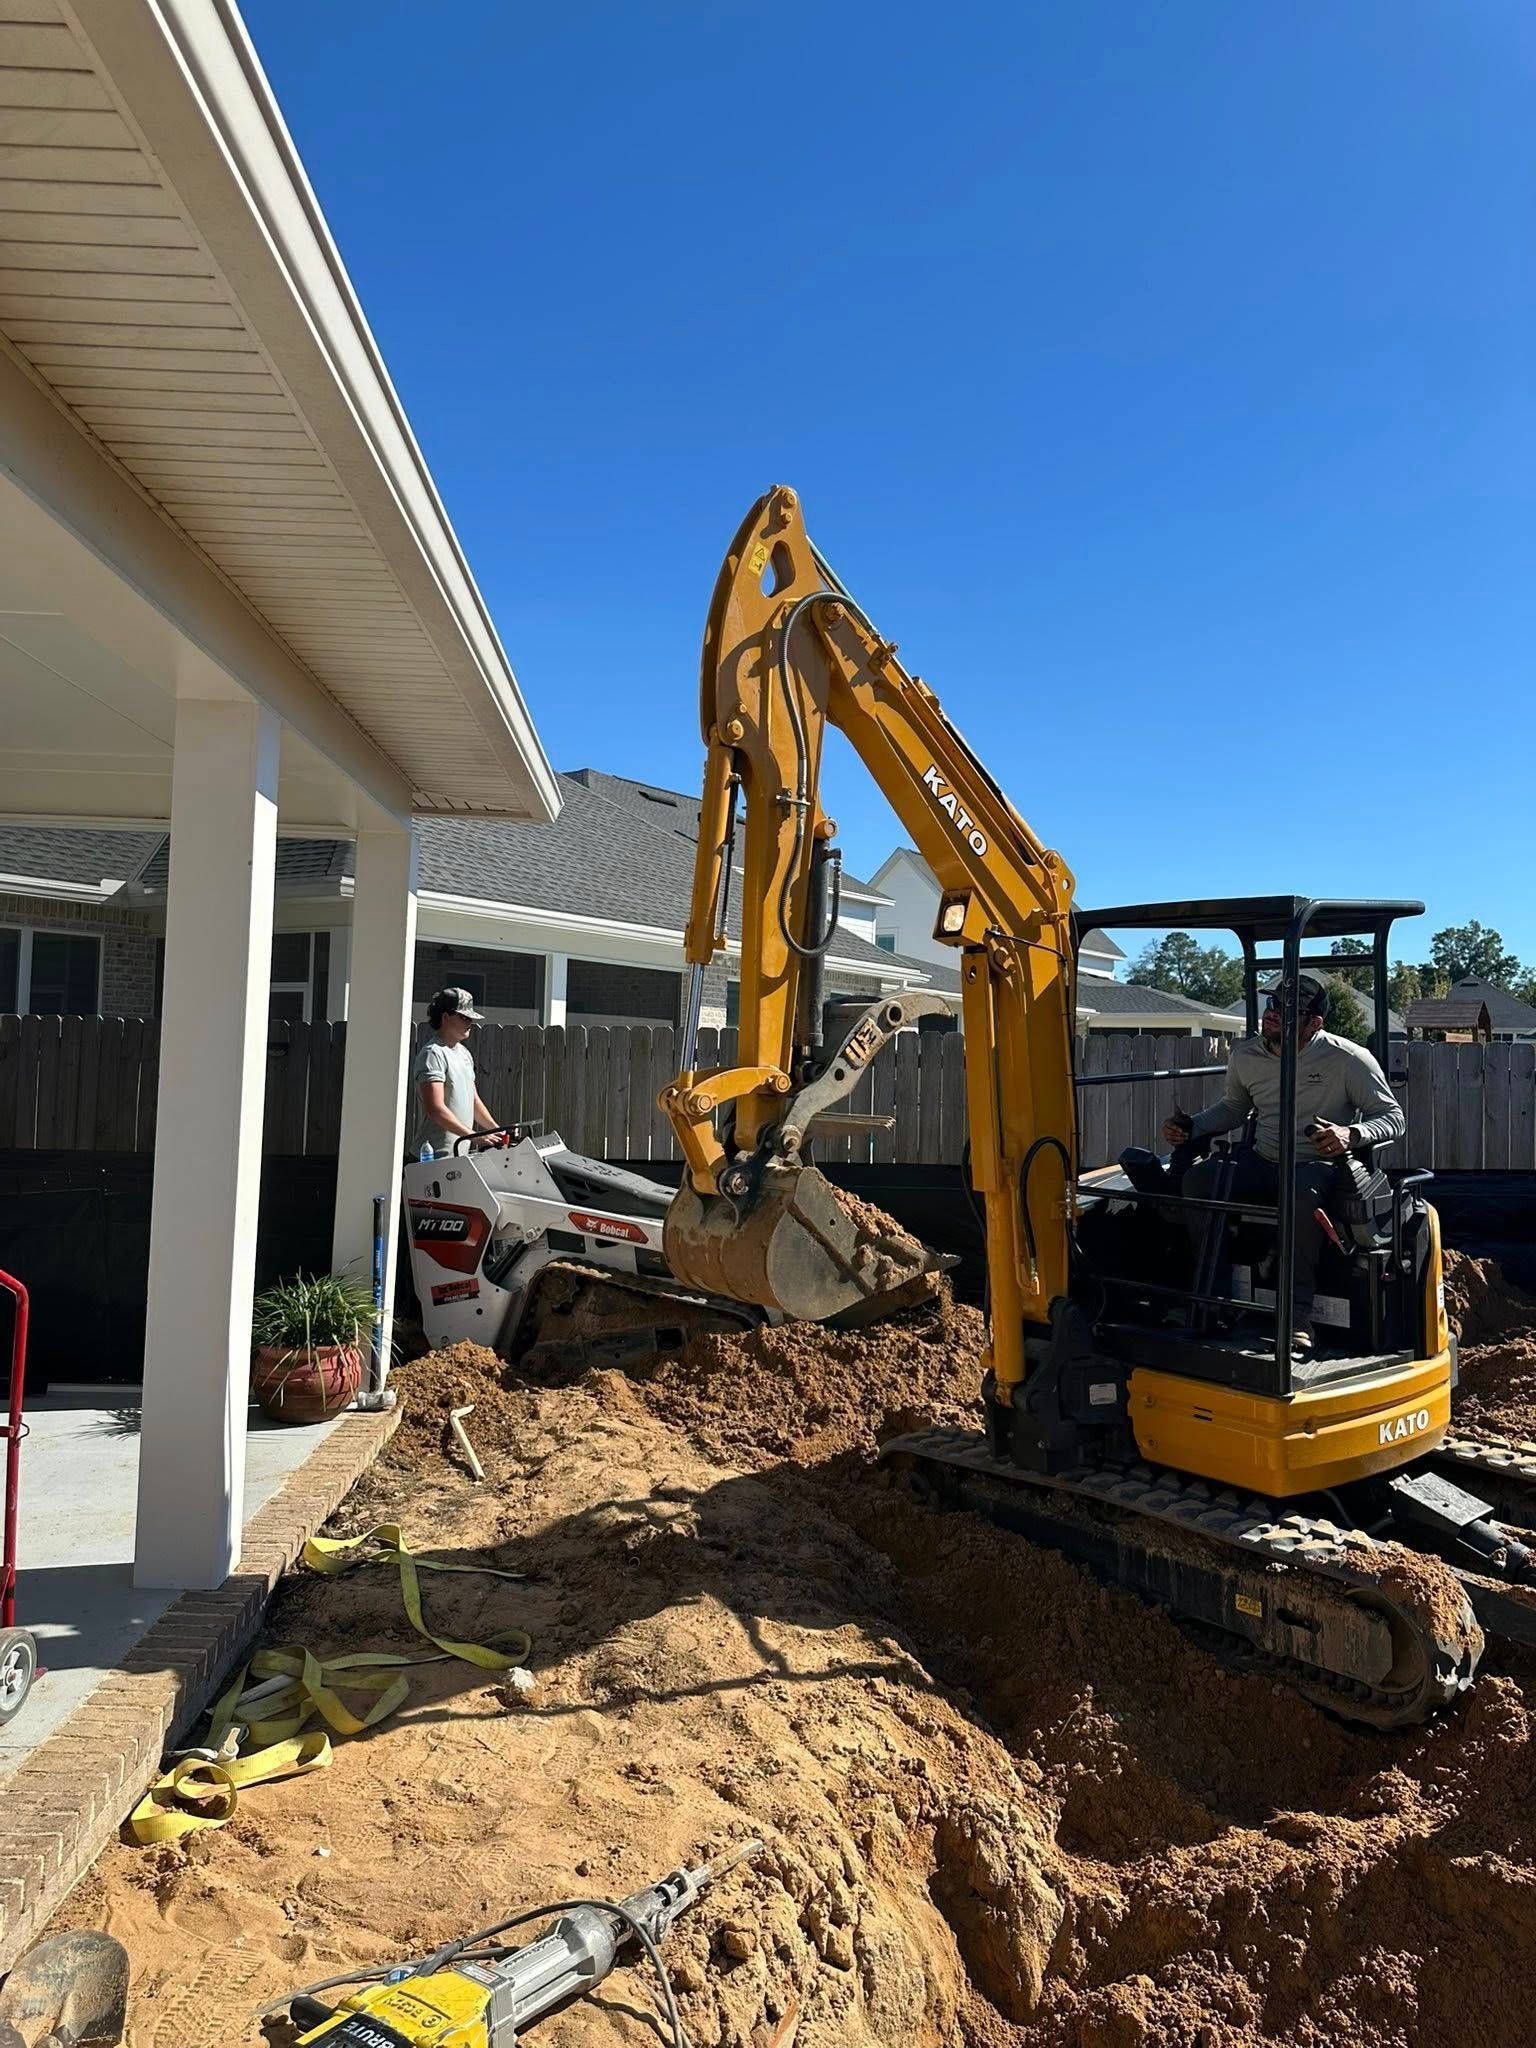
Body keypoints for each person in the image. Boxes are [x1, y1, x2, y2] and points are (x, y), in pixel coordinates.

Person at [1162, 972, 1405, 1353]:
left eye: (1288, 1009)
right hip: (1261, 1160)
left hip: (1317, 1166)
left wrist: (1349, 1135)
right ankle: (1214, 1299)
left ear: (1315, 1023)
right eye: (1272, 1005)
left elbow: (1393, 1117)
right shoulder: (1246, 1056)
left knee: (1301, 1197)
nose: (1273, 1014)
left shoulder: (1348, 1059)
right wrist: (1192, 1127)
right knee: (1198, 1180)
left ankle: (1297, 1317)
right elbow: (1233, 1109)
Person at [411, 986, 504, 1159]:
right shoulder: (433, 1053)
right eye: (463, 1017)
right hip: (432, 1157)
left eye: (471, 1018)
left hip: (458, 1157)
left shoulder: (464, 1054)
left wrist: (496, 1130)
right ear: (445, 1017)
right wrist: (475, 1136)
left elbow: (474, 1101)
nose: (470, 1022)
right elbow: (435, 1109)